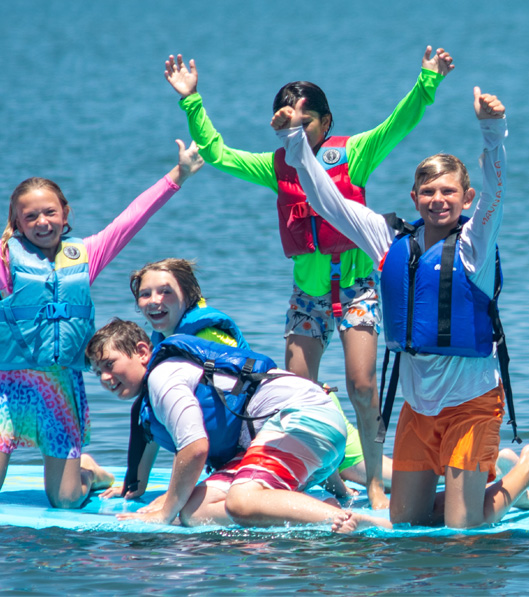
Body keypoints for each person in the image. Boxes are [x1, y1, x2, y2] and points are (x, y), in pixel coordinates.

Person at [272, 87, 529, 529]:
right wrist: (296, 143)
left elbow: (497, 194)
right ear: (414, 198)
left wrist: (493, 132)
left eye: (449, 192)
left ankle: (526, 468)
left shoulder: (476, 246)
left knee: (461, 532)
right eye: (428, 191)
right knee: (410, 524)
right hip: (417, 407)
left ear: (465, 198)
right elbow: (327, 203)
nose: (439, 199)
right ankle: (479, 489)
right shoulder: (387, 240)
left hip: (471, 403)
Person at [164, 47, 454, 509]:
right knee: (297, 395)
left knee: (362, 387)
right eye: (290, 120)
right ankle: (328, 481)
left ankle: (375, 483)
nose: (299, 129)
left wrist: (427, 81)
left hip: (357, 289)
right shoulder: (276, 165)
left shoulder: (354, 153)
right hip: (308, 296)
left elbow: (398, 125)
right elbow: (217, 154)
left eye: (308, 120)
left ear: (326, 121)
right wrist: (191, 100)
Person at [0, 140, 204, 508]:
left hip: (58, 386)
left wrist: (179, 174)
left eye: (49, 213)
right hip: (6, 386)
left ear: (65, 213)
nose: (42, 222)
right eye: (30, 217)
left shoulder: (86, 255)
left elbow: (131, 218)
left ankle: (91, 472)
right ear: (16, 222)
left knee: (65, 501)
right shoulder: (5, 262)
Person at [105, 257, 389, 500]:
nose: (155, 301)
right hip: (291, 419)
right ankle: (337, 484)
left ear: (188, 295)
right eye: (145, 294)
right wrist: (135, 484)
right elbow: (154, 416)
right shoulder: (164, 344)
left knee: (396, 478)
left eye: (165, 292)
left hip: (299, 419)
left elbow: (242, 396)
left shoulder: (208, 338)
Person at [86, 319, 390, 533]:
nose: (105, 378)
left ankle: (344, 518)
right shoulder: (155, 390)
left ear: (141, 352)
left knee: (241, 500)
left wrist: (163, 515)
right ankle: (310, 506)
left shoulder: (162, 379)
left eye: (110, 364)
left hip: (302, 417)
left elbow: (194, 449)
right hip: (299, 437)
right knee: (192, 511)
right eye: (98, 372)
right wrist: (171, 502)